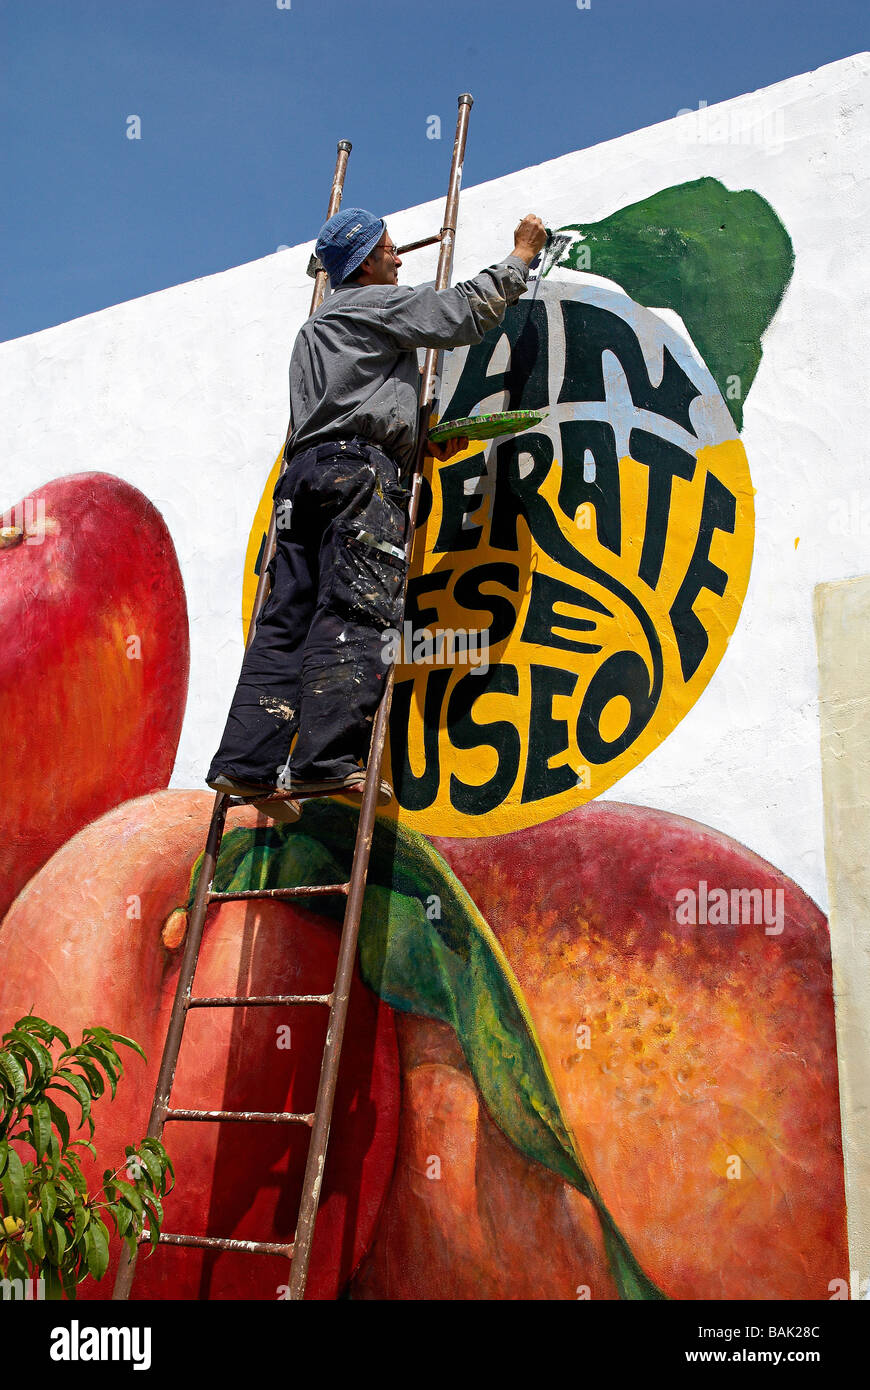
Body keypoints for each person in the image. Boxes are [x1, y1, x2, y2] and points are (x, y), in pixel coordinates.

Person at [206, 207, 547, 819]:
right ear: (364, 262)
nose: (398, 258)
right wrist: (520, 257)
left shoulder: (312, 331)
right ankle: (327, 765)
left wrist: (418, 438)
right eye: (389, 250)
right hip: (357, 478)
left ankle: (246, 765)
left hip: (303, 481)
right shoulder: (373, 304)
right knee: (356, 610)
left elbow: (349, 404)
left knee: (284, 623)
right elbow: (464, 311)